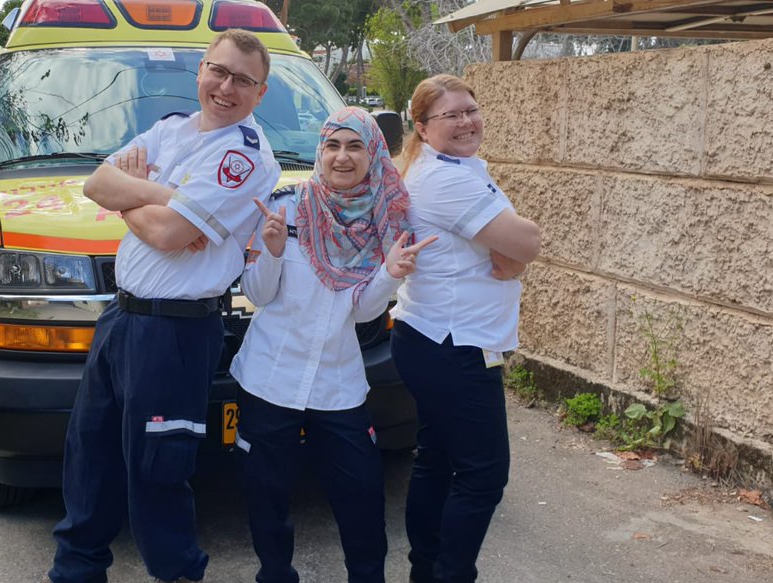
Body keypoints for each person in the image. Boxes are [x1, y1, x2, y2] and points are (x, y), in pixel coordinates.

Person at [46, 29, 281, 583]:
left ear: (261, 92)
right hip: (121, 317)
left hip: (175, 333)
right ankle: (76, 571)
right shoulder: (171, 128)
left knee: (158, 467)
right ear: (200, 71)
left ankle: (177, 573)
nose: (226, 88)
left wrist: (137, 194)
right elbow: (95, 184)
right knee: (90, 453)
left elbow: (170, 235)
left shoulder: (245, 157)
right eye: (218, 72)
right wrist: (163, 198)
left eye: (243, 80)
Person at [230, 107, 437, 583]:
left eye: (354, 146)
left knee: (361, 494)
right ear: (319, 151)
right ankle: (276, 574)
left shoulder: (383, 219)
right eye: (332, 146)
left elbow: (362, 312)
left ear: (373, 153)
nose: (342, 157)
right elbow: (258, 294)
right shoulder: (283, 207)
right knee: (267, 493)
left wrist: (390, 272)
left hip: (337, 385)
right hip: (269, 378)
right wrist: (274, 252)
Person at [390, 74, 542, 583]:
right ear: (422, 127)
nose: (465, 121)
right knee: (483, 475)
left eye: (470, 110)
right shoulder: (446, 180)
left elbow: (513, 250)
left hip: (433, 336)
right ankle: (450, 574)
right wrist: (517, 253)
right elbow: (528, 239)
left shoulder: (455, 166)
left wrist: (513, 255)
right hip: (455, 345)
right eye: (450, 115)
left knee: (438, 459)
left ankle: (427, 570)